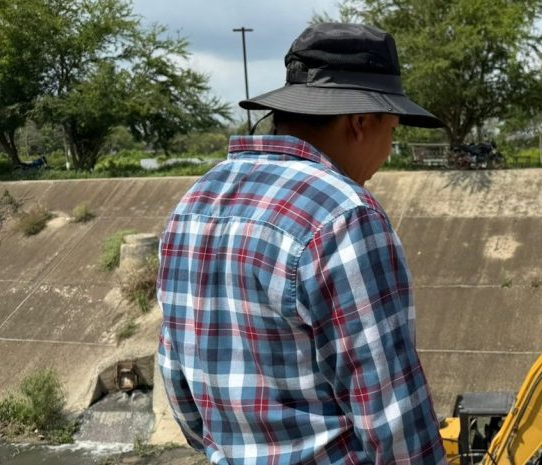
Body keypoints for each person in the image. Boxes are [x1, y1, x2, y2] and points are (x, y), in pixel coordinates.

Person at [156, 23, 449, 465]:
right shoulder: (345, 215)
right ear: (359, 123)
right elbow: (393, 416)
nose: (388, 151)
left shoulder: (196, 201)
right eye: (392, 131)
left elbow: (179, 386)